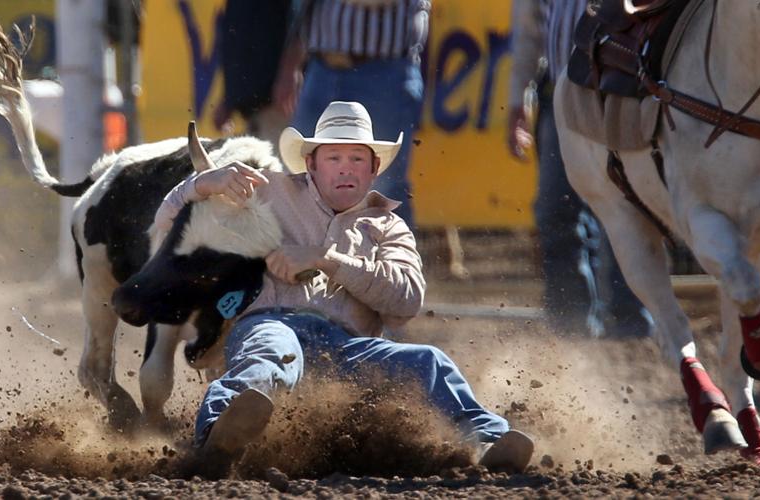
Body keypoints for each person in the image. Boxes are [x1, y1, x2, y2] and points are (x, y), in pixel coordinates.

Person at [155, 101, 535, 472]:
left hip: (349, 350)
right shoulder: (266, 193)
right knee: (272, 349)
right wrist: (201, 184)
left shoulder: (388, 227)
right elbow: (167, 233)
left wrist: (325, 259)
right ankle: (217, 436)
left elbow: (406, 300)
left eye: (356, 160)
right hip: (269, 322)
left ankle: (485, 443)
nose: (345, 170)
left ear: (373, 170)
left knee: (430, 362)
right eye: (334, 158)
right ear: (311, 164)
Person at [508, 0, 653, 338]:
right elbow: (529, 32)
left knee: (629, 208)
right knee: (557, 212)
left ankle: (632, 322)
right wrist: (517, 101)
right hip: (560, 97)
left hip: (622, 95)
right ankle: (569, 327)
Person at [272, 0, 430, 229]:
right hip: (321, 68)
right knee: (301, 181)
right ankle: (311, 260)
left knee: (382, 188)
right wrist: (291, 63)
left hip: (382, 71)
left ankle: (395, 261)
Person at [211, 0, 292, 149]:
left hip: (274, 98)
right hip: (251, 105)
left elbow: (300, 27)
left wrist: (289, 73)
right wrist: (228, 98)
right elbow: (237, 37)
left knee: (277, 165)